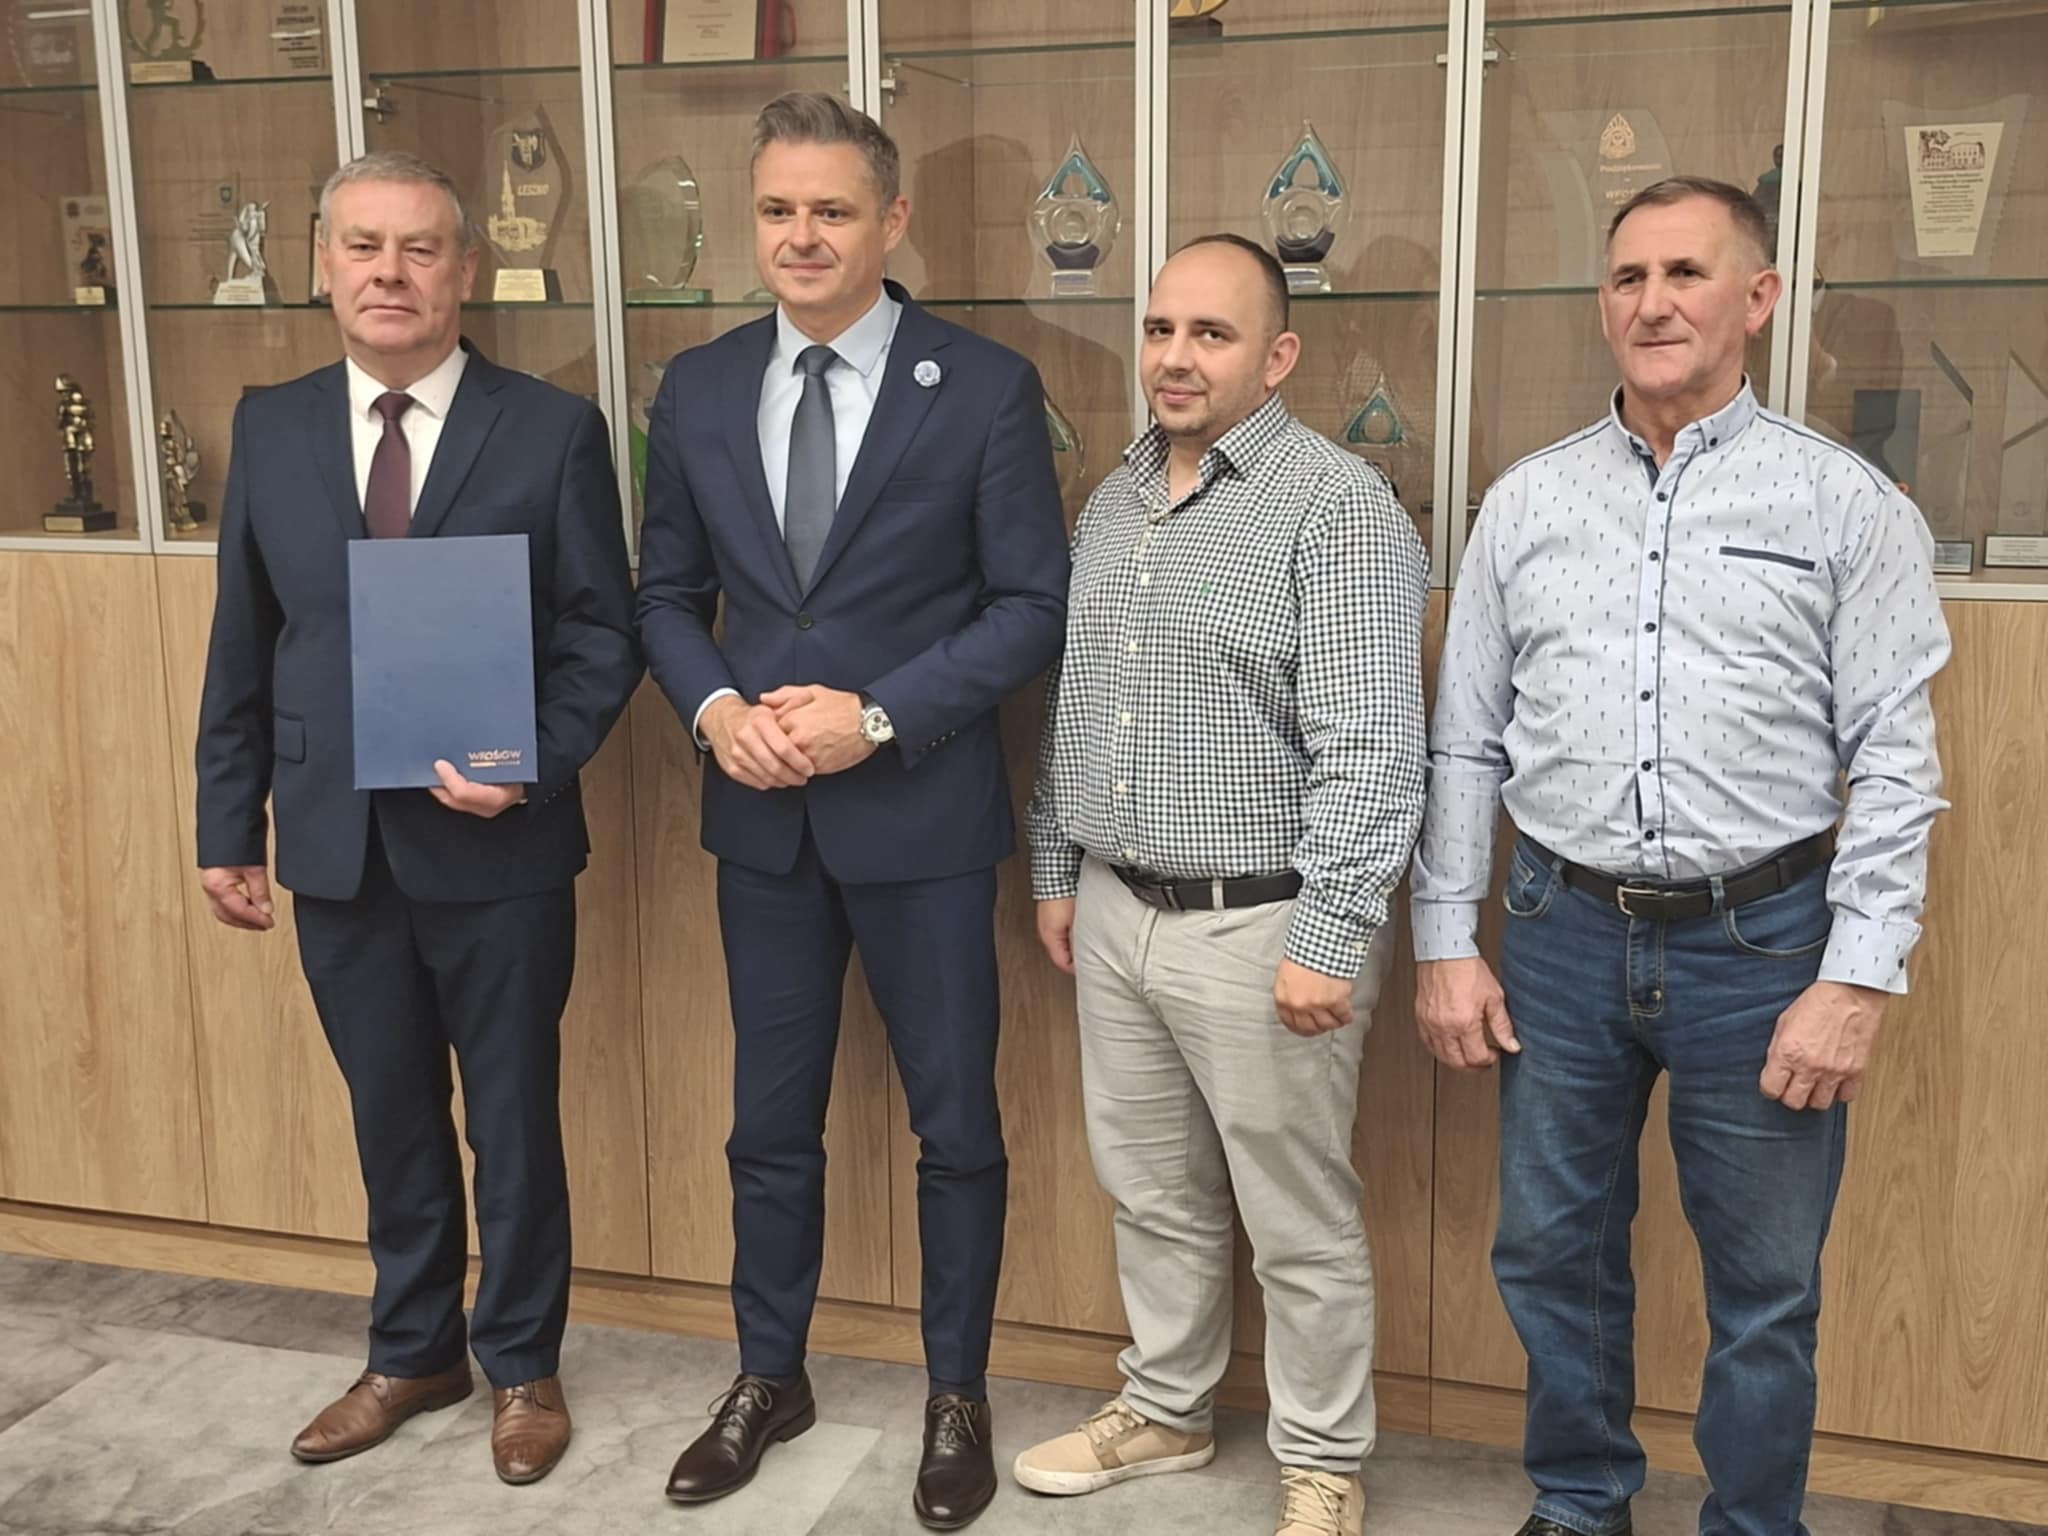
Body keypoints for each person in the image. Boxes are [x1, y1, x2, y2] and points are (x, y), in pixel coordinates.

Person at [1411, 176, 1950, 1536]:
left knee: (1765, 1286)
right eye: (1629, 277)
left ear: (1757, 299)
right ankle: (1580, 1501)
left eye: (1687, 274)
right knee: (1551, 1250)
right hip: (1560, 931)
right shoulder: (1526, 502)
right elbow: (1464, 744)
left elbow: (1896, 764)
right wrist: (1445, 941)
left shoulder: (1845, 504)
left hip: (1763, 949)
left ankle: (1753, 1525)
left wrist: (1857, 979)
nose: (1653, 303)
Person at [636, 92, 1069, 1531]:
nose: (801, 236)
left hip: (923, 819)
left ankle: (957, 1395)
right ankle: (771, 1376)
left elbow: (1033, 606)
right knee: (768, 1125)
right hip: (761, 823)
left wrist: (875, 715)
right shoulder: (699, 387)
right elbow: (662, 595)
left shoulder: (985, 386)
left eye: (831, 210)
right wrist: (717, 713)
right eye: (777, 210)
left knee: (956, 1123)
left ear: (892, 221)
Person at [195, 150, 640, 1487]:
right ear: (322, 265)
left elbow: (603, 636)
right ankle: (412, 1351)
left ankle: (523, 1365)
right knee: (389, 1113)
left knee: (511, 1116)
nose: (388, 272)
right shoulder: (271, 424)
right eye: (362, 246)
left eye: (419, 248)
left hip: (498, 842)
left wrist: (533, 765)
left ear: (465, 271)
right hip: (335, 841)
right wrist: (227, 826)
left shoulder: (551, 428)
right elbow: (243, 640)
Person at [1015, 233, 1428, 1536]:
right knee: (1153, 1193)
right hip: (1117, 911)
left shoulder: (1337, 507)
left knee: (1295, 1219)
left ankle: (1323, 1462)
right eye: (1160, 330)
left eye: (1211, 334)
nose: (1176, 358)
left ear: (1278, 356)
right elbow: (1083, 705)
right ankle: (1169, 1410)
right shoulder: (1115, 500)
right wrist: (1059, 864)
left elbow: (1374, 748)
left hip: (1264, 923)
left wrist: (1332, 933)